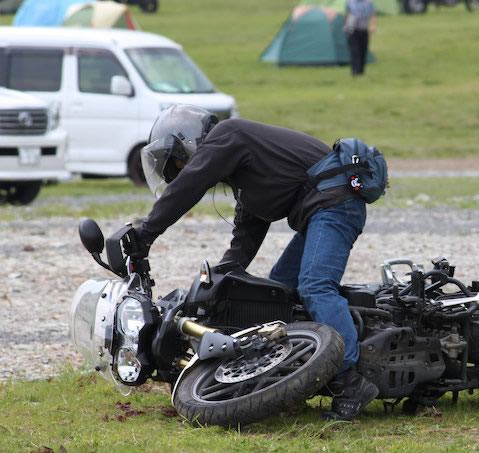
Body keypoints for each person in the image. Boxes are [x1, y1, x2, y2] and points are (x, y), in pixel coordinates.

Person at [131, 104, 380, 420]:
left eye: (179, 162)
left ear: (189, 141)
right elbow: (248, 229)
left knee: (316, 286)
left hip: (337, 205)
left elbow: (188, 186)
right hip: (322, 209)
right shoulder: (242, 168)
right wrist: (225, 274)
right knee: (279, 291)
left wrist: (146, 234)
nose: (182, 169)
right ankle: (295, 374)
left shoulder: (227, 136)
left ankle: (350, 380)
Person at [344, 0, 376, 76]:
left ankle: (361, 70)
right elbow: (347, 14)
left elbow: (372, 14)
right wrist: (346, 25)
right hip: (352, 29)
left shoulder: (368, 3)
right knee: (354, 51)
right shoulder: (350, 2)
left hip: (363, 29)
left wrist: (372, 26)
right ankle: (355, 70)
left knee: (363, 50)